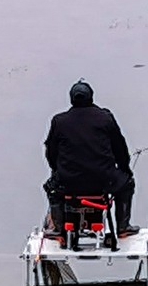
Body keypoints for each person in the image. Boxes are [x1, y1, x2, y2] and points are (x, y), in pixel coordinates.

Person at [44, 80, 136, 236]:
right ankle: (123, 227)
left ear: (71, 98)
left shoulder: (59, 121)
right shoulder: (105, 118)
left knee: (52, 189)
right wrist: (125, 170)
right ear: (91, 97)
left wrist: (56, 170)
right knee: (127, 184)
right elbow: (120, 149)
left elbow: (51, 153)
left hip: (68, 181)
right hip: (103, 181)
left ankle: (58, 230)